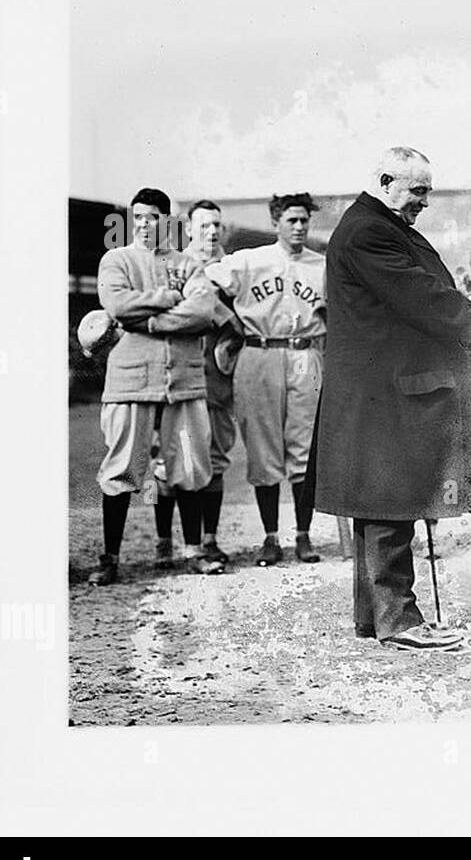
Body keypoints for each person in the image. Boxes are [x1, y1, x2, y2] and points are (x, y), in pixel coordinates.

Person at [313, 147, 471, 651]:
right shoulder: (369, 230)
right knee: (390, 503)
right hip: (386, 393)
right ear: (387, 180)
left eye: (428, 191)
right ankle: (401, 622)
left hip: (381, 389)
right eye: (418, 190)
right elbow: (422, 297)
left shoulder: (369, 224)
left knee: (379, 504)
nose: (425, 201)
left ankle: (378, 619)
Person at [88, 187, 220, 585]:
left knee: (191, 464)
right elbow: (117, 306)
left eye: (154, 217)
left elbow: (203, 311)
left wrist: (148, 321)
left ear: (169, 221)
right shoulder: (117, 259)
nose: (145, 224)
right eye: (139, 217)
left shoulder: (188, 263)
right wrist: (166, 297)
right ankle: (109, 558)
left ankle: (194, 551)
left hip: (183, 378)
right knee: (122, 468)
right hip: (130, 377)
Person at [205, 193, 327, 566]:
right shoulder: (249, 260)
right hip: (258, 352)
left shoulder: (323, 265)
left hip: (305, 353)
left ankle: (303, 537)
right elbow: (204, 280)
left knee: (305, 448)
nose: (299, 227)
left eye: (304, 220)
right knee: (263, 448)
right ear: (276, 222)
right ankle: (271, 537)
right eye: (291, 220)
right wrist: (230, 321)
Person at [154, 199, 241, 566]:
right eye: (203, 225)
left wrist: (231, 331)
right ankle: (163, 541)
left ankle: (209, 539)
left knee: (216, 459)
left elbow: (245, 321)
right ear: (188, 228)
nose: (211, 231)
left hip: (218, 378)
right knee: (168, 461)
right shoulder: (172, 265)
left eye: (217, 225)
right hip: (178, 375)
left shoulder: (233, 269)